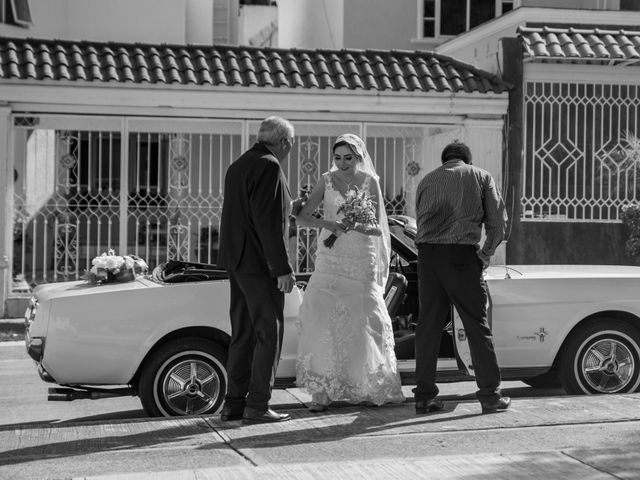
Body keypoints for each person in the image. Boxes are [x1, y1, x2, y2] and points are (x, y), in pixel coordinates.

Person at [294, 133, 405, 412]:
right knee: (321, 318)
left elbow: (379, 228)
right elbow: (303, 217)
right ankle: (322, 390)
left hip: (360, 260)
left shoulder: (371, 183)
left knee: (364, 321)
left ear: (358, 158)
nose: (342, 163)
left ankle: (369, 385)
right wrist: (331, 225)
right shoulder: (325, 180)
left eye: (348, 158)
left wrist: (356, 224)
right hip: (330, 260)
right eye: (338, 158)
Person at [413, 141, 509, 414]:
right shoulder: (480, 176)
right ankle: (490, 396)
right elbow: (498, 224)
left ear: (445, 160)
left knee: (428, 327)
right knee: (476, 326)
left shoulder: (426, 181)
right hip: (461, 257)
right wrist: (485, 254)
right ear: (467, 159)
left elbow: (421, 220)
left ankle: (424, 397)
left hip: (428, 257)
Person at [217, 116, 296, 424]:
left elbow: (246, 214)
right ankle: (259, 405)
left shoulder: (238, 165)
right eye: (290, 144)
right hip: (260, 264)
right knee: (269, 332)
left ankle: (233, 403)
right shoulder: (270, 166)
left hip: (237, 261)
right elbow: (268, 223)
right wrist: (282, 268)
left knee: (243, 333)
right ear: (285, 142)